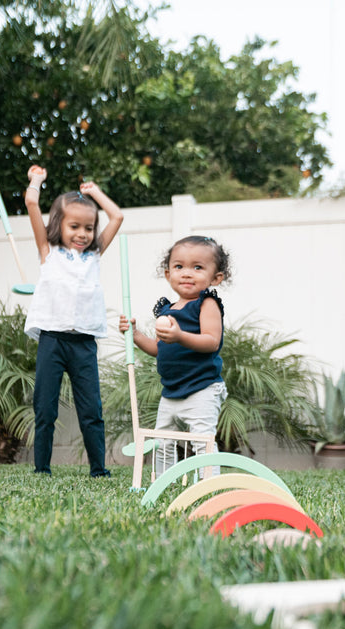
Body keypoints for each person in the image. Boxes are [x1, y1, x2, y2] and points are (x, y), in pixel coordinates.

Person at [24, 165, 123, 477]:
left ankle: (98, 469)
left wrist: (95, 193)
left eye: (89, 228)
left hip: (84, 343)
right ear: (59, 225)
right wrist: (37, 180)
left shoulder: (94, 255)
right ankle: (42, 468)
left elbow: (117, 216)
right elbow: (31, 203)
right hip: (52, 341)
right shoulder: (48, 251)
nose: (82, 234)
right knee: (45, 408)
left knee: (91, 410)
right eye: (75, 226)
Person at [119, 235, 231, 477]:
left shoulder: (206, 304)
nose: (187, 273)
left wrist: (180, 336)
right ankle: (165, 482)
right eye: (179, 267)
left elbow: (211, 341)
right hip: (171, 390)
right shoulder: (167, 310)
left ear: (216, 277)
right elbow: (158, 349)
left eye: (197, 267)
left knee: (202, 441)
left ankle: (209, 484)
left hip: (202, 388)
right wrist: (135, 334)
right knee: (162, 442)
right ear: (168, 274)